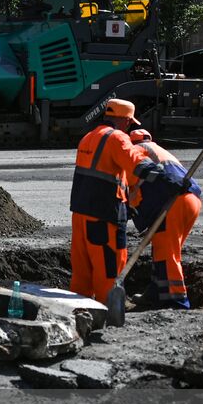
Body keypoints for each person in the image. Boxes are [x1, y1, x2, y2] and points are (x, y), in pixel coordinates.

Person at [68, 98, 163, 303]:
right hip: (104, 217)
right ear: (125, 120)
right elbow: (137, 164)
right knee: (108, 268)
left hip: (81, 213)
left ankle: (77, 312)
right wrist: (162, 172)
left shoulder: (88, 137)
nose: (129, 127)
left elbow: (103, 173)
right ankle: (108, 310)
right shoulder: (117, 138)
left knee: (82, 270)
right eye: (129, 123)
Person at [127, 129, 203, 309]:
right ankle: (154, 293)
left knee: (167, 254)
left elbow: (131, 191)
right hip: (192, 201)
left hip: (172, 204)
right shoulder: (160, 151)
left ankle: (177, 302)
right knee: (163, 250)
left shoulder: (135, 152)